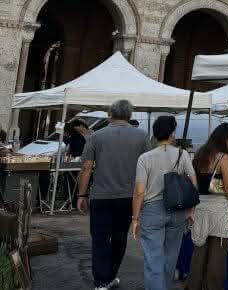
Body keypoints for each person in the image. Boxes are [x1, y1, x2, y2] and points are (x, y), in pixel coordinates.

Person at [77, 99, 150, 290]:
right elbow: (147, 170)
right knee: (119, 238)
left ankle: (101, 281)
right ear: (130, 115)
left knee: (100, 239)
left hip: (101, 196)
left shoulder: (96, 136)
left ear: (110, 114)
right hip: (128, 197)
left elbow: (86, 168)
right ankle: (111, 275)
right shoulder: (142, 137)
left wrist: (82, 195)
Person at [131, 115, 196, 290]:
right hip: (177, 209)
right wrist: (190, 209)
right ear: (172, 133)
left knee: (153, 259)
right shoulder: (183, 155)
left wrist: (135, 218)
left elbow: (139, 191)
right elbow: (193, 182)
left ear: (155, 134)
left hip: (152, 210)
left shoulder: (145, 158)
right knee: (170, 258)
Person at [188, 123, 228, 290]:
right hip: (219, 210)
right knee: (217, 256)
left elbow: (194, 184)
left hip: (200, 207)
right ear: (225, 139)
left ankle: (194, 286)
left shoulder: (200, 154)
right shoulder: (223, 158)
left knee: (199, 254)